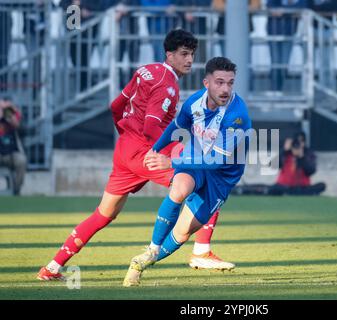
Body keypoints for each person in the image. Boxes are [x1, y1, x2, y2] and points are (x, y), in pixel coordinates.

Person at [37, 30, 231, 282]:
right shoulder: (168, 85)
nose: (189, 60)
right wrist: (171, 151)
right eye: (183, 54)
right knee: (206, 174)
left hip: (125, 149)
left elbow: (116, 105)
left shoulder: (146, 70)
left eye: (192, 54)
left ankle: (52, 267)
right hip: (144, 150)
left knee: (103, 214)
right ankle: (201, 251)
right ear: (169, 54)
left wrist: (126, 135)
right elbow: (151, 127)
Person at [123, 56, 252, 287]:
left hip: (221, 176)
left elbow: (216, 161)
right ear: (206, 83)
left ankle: (141, 263)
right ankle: (152, 248)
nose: (225, 89)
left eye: (230, 83)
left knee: (182, 234)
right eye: (220, 82)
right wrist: (155, 149)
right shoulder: (194, 102)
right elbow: (177, 125)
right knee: (179, 189)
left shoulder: (237, 115)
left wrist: (170, 162)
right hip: (195, 160)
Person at [268, 131, 325, 196]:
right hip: (284, 186)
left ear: (304, 143)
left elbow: (311, 170)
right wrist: (284, 150)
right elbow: (272, 165)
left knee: (322, 185)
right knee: (273, 188)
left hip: (303, 187)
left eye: (301, 141)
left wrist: (301, 157)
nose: (297, 144)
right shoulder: (285, 154)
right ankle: (296, 193)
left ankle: (292, 193)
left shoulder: (308, 153)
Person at [0, 98, 27, 196]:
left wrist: (9, 115)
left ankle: (16, 190)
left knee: (21, 160)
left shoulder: (10, 115)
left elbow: (23, 131)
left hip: (10, 154)